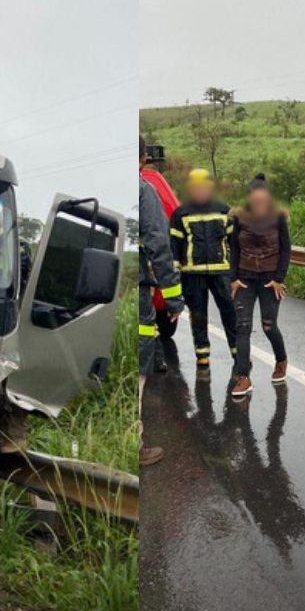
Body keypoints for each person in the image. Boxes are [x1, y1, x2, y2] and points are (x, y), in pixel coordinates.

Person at [139, 135, 185, 465]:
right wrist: (173, 299)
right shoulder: (145, 189)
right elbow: (160, 245)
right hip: (140, 289)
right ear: (143, 157)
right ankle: (135, 446)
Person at [168, 168, 237, 371]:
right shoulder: (181, 213)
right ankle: (202, 355)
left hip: (221, 273)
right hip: (192, 274)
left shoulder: (225, 211)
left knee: (230, 313)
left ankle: (238, 352)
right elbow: (175, 247)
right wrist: (176, 276)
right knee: (198, 315)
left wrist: (237, 274)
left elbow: (236, 244)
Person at [228, 174, 290, 398]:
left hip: (269, 280)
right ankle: (243, 378)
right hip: (245, 279)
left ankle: (281, 360)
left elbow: (286, 249)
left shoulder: (278, 217)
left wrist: (279, 278)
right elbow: (233, 248)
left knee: (268, 326)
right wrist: (233, 278)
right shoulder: (238, 217)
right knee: (242, 328)